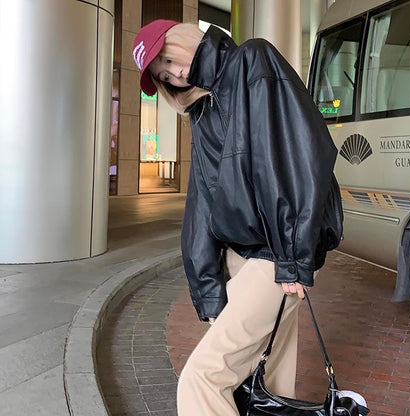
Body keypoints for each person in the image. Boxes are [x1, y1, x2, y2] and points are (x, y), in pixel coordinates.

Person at [132, 19, 343, 416]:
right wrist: (207, 286)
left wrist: (293, 257)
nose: (175, 74)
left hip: (275, 258)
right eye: (164, 76)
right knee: (270, 386)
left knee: (202, 378)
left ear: (182, 39)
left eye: (169, 59)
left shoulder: (254, 60)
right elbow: (202, 202)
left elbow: (299, 155)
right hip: (241, 259)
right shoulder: (201, 111)